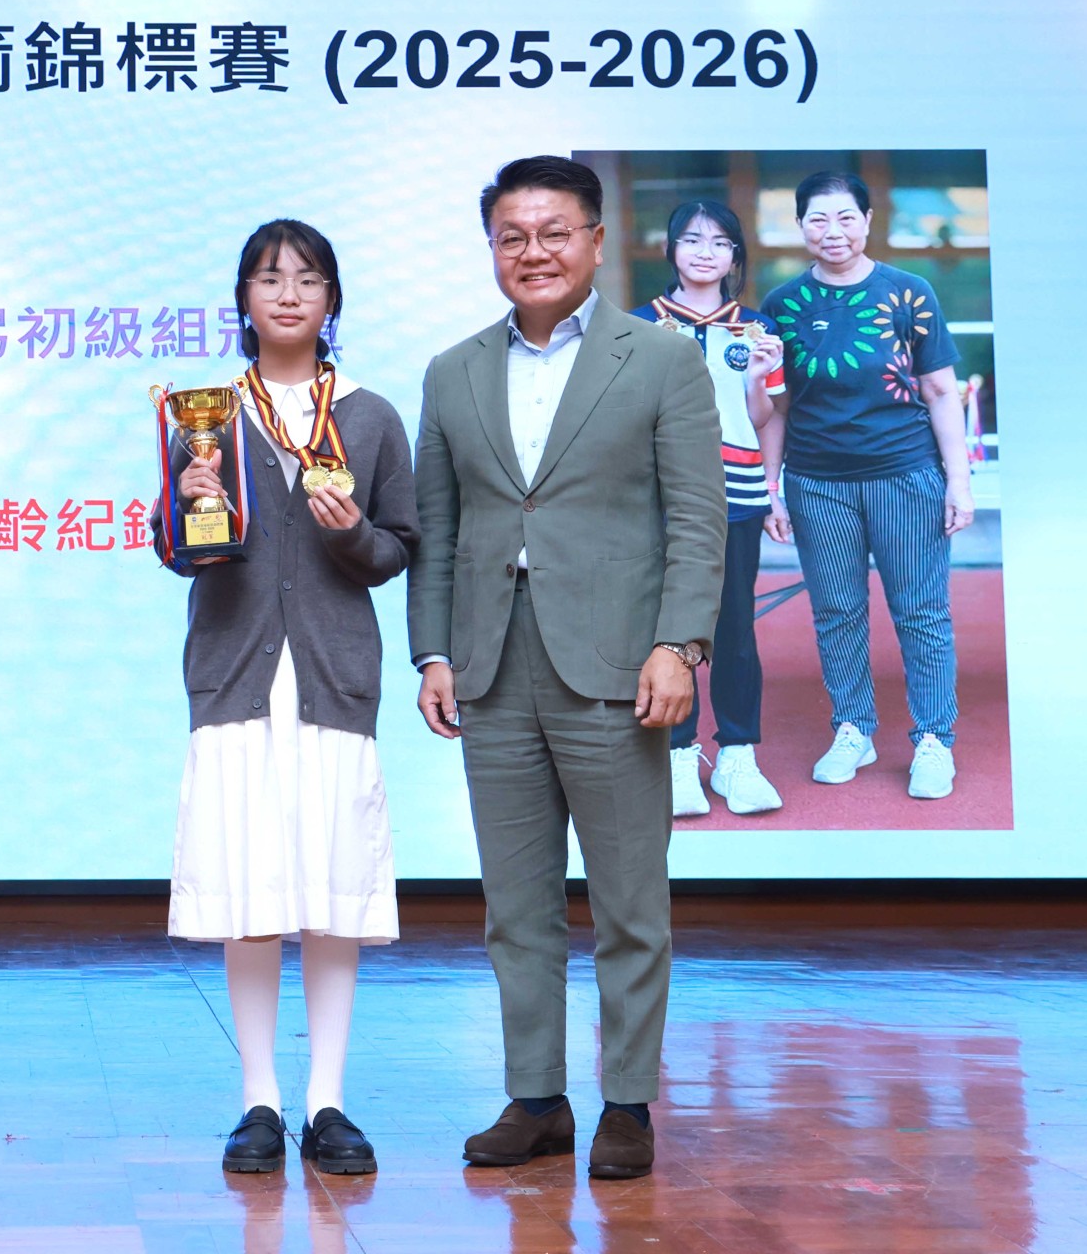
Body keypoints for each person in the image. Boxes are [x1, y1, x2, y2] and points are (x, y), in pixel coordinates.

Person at [410, 156, 723, 1181]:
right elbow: (440, 529)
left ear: (594, 240)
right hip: (492, 669)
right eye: (512, 236)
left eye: (553, 232)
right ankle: (536, 1098)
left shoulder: (661, 359)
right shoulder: (452, 371)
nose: (533, 252)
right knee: (516, 906)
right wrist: (434, 651)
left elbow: (697, 518)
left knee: (629, 903)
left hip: (619, 670)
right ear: (491, 249)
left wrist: (679, 644)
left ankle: (626, 1102)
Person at [155, 219, 419, 1178]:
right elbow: (174, 549)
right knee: (250, 889)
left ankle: (328, 1101)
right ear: (243, 301)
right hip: (235, 677)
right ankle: (259, 1100)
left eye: (308, 279)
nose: (289, 294)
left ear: (332, 300)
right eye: (269, 279)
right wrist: (193, 499)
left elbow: (396, 549)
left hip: (332, 679)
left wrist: (347, 533)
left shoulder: (371, 416)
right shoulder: (206, 415)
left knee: (334, 893)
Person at [760, 171, 970, 800]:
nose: (833, 231)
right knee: (836, 612)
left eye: (846, 217)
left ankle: (934, 738)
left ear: (869, 222)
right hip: (817, 483)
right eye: (818, 219)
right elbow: (779, 406)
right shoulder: (782, 305)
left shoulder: (908, 293)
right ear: (801, 226)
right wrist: (771, 487)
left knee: (921, 613)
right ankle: (853, 727)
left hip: (905, 475)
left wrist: (958, 481)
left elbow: (941, 391)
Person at [629, 199, 788, 818]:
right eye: (692, 240)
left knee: (734, 626)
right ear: (670, 249)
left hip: (737, 493)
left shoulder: (757, 329)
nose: (705, 252)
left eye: (720, 242)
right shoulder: (638, 326)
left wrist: (757, 379)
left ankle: (738, 754)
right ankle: (676, 753)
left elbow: (763, 417)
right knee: (668, 624)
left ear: (735, 256)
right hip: (659, 496)